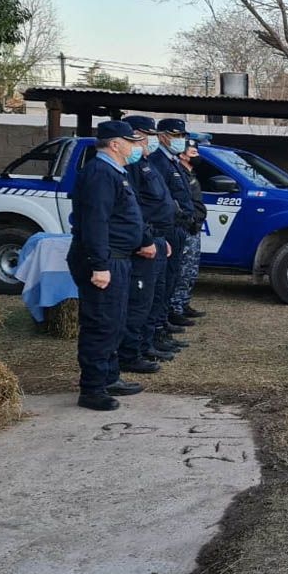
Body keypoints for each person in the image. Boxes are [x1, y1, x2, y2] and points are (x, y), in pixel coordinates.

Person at [66, 120, 149, 411]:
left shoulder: (115, 172)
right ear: (115, 144)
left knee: (115, 321)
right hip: (104, 260)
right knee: (101, 323)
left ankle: (109, 376)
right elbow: (95, 223)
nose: (136, 146)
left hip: (118, 258)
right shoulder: (100, 173)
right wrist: (99, 265)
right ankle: (92, 389)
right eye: (131, 141)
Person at [113, 115, 178, 384]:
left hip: (158, 239)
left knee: (154, 295)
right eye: (143, 135)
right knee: (139, 302)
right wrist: (146, 240)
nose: (146, 141)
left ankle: (146, 343)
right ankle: (131, 352)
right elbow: (134, 211)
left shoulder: (147, 163)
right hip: (143, 243)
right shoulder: (128, 168)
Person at [149, 118, 195, 332]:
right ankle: (158, 326)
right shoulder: (158, 160)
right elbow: (161, 197)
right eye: (176, 135)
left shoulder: (173, 160)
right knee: (163, 280)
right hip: (167, 227)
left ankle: (162, 321)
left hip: (178, 227)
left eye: (182, 136)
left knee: (172, 277)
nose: (181, 140)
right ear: (162, 136)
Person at [171, 137, 208, 321]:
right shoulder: (178, 175)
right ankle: (175, 308)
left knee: (191, 270)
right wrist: (189, 220)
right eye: (193, 153)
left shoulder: (190, 174)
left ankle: (184, 303)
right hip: (185, 227)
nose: (197, 156)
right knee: (182, 271)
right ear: (182, 156)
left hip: (194, 228)